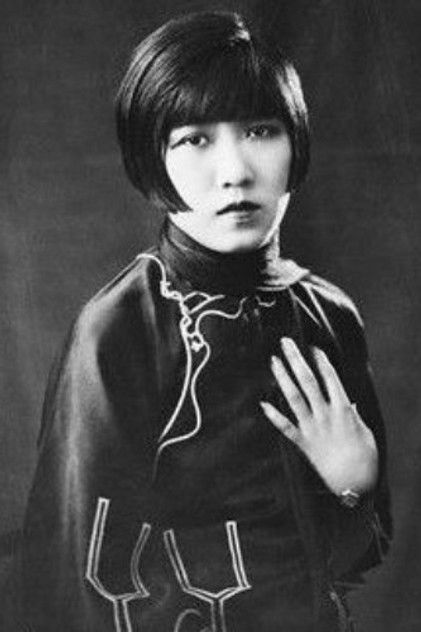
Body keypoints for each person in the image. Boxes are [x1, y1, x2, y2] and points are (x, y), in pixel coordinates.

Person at [14, 10, 391, 632]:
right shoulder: (118, 331)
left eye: (261, 131)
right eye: (194, 139)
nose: (236, 171)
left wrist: (354, 482)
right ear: (153, 158)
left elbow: (357, 560)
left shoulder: (329, 316)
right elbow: (75, 581)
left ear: (295, 144)